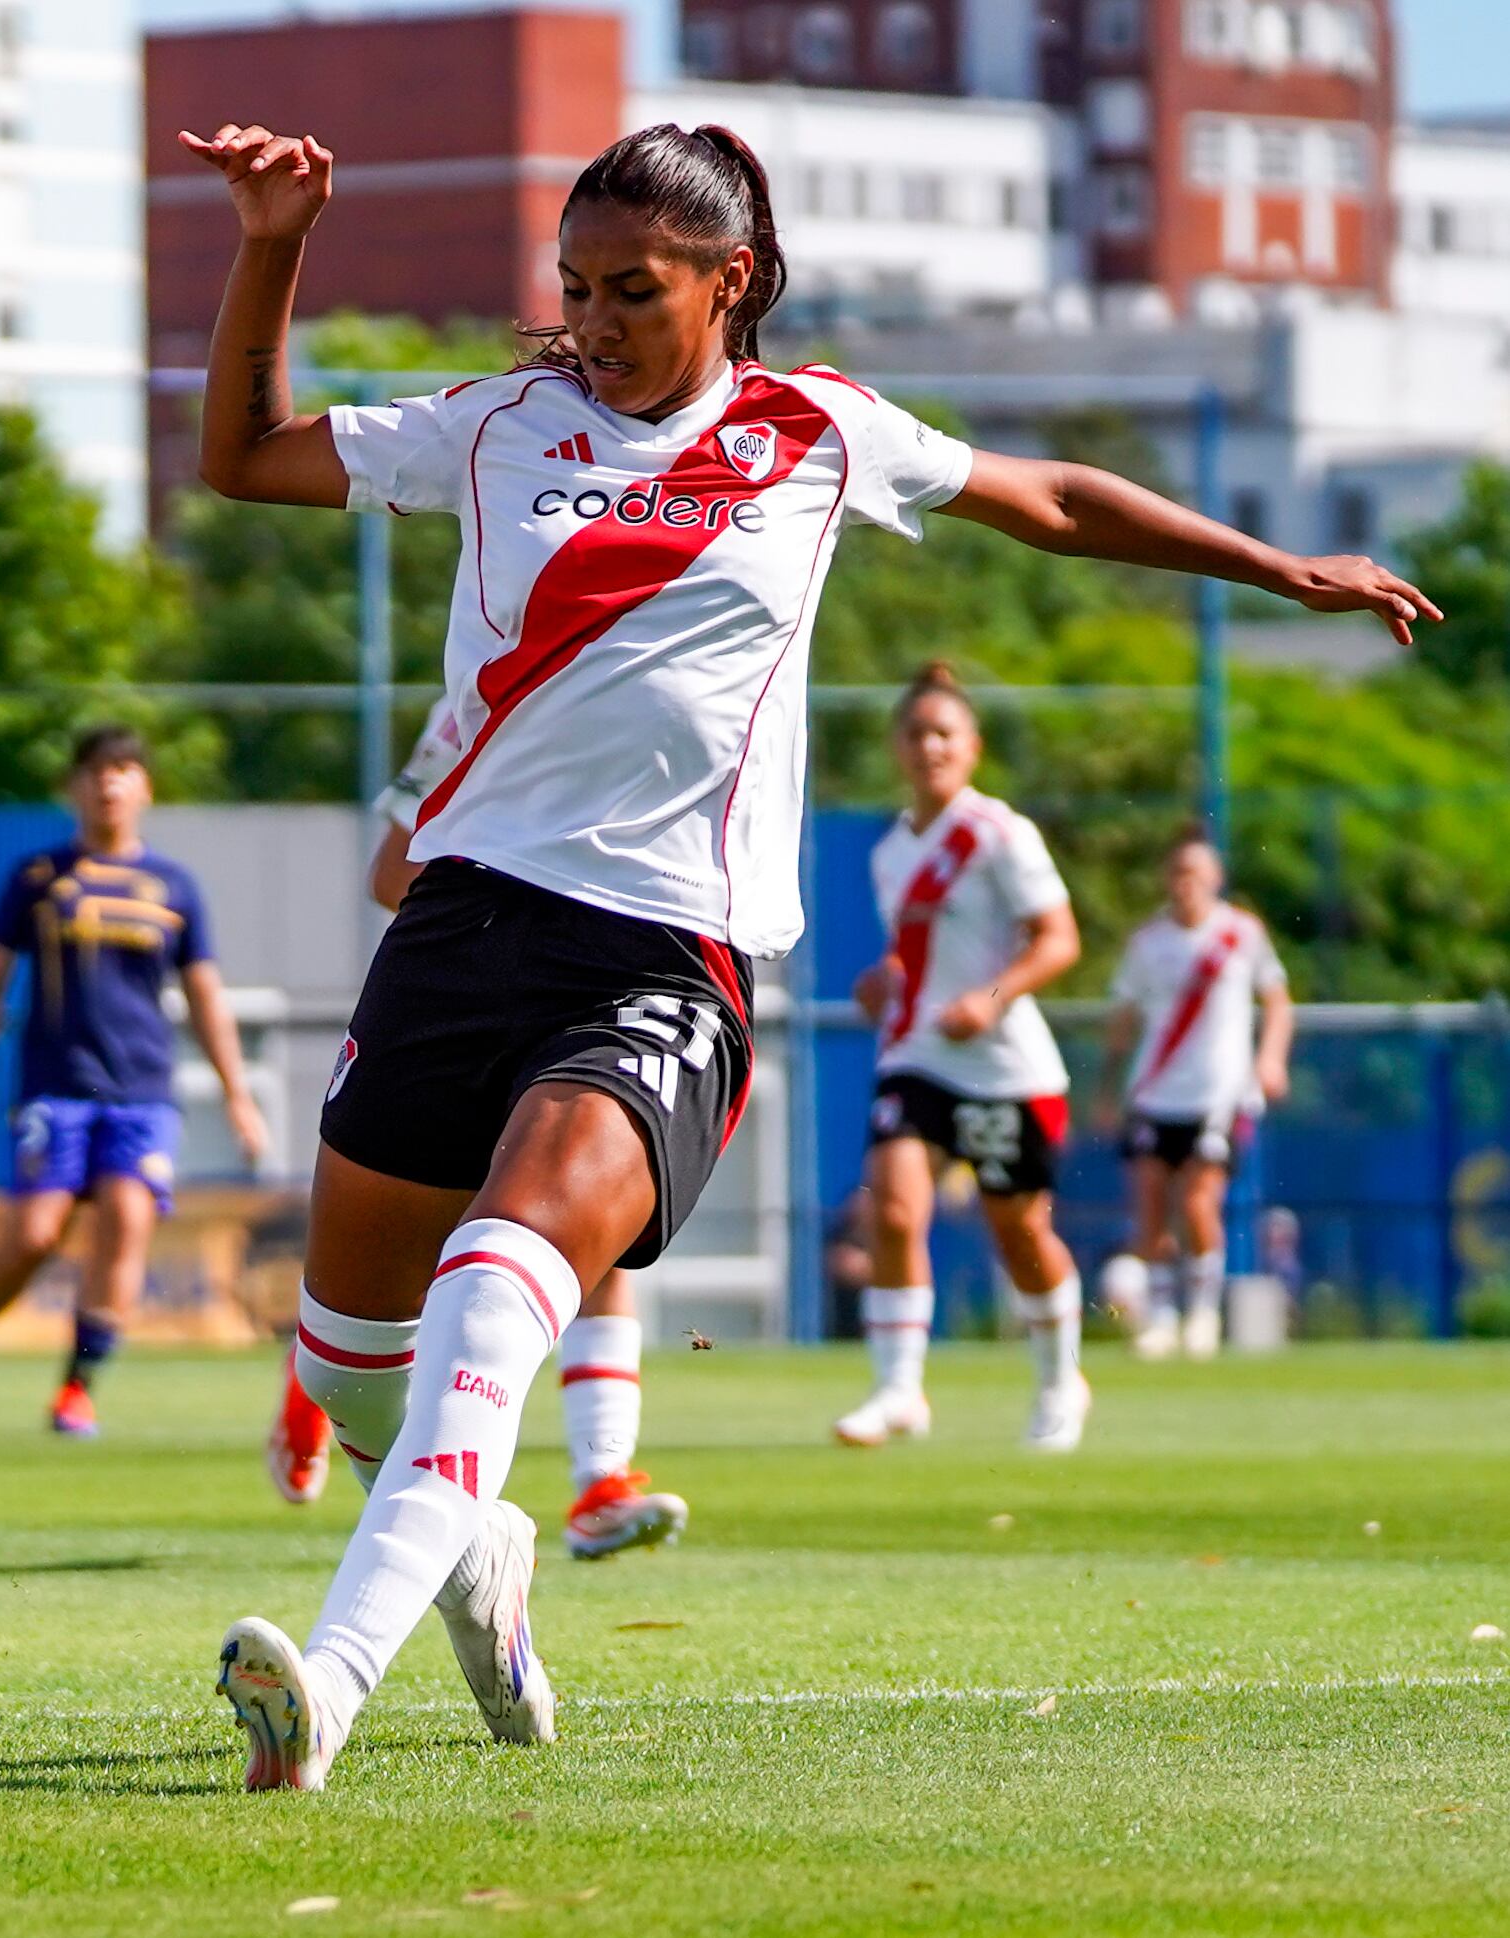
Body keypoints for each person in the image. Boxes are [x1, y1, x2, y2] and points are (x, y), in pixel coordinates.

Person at [177, 114, 1434, 1792]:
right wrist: (274, 240)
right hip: (460, 928)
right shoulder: (496, 427)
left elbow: (1049, 496)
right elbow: (242, 457)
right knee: (346, 1360)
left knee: (505, 1277)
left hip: (659, 965)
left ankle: (326, 1685)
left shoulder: (813, 430)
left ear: (732, 280)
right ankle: (475, 1539)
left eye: (635, 288)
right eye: (577, 288)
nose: (600, 320)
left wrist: (1278, 566)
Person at [268, 697, 688, 1565]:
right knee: (416, 1259)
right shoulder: (479, 698)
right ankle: (318, 1387)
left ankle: (601, 1480)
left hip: (588, 1008)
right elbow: (392, 871)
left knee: (589, 1235)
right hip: (468, 1010)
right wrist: (502, 925)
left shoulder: (645, 681)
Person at [0, 725, 269, 1437]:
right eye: (96, 770)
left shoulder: (173, 887)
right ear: (74, 787)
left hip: (143, 1091)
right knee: (36, 1235)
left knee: (129, 1218)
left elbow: (204, 995)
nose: (109, 782)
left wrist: (237, 1094)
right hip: (57, 1087)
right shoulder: (41, 878)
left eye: (124, 769)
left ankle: (76, 1389)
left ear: (145, 788)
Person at [835, 662, 1090, 1453]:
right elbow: (915, 956)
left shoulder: (1000, 835)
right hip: (916, 1056)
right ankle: (898, 1388)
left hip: (1007, 1069)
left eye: (944, 732)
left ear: (972, 746)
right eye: (915, 733)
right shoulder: (891, 851)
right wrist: (885, 983)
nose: (929, 747)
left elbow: (1060, 939)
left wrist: (991, 997)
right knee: (896, 1209)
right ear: (897, 746)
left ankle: (1059, 1381)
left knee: (1016, 1232)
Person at [1102, 828, 1293, 1359]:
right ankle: (1162, 1317)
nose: (1185, 883)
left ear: (1215, 878)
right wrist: (1107, 1087)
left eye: (1196, 872)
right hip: (1154, 1093)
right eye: (1177, 872)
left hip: (1219, 1096)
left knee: (1198, 1200)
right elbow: (1123, 1018)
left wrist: (1270, 1059)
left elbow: (1277, 1001)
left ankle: (1203, 1315)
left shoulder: (1241, 934)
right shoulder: (1147, 943)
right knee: (1150, 1207)